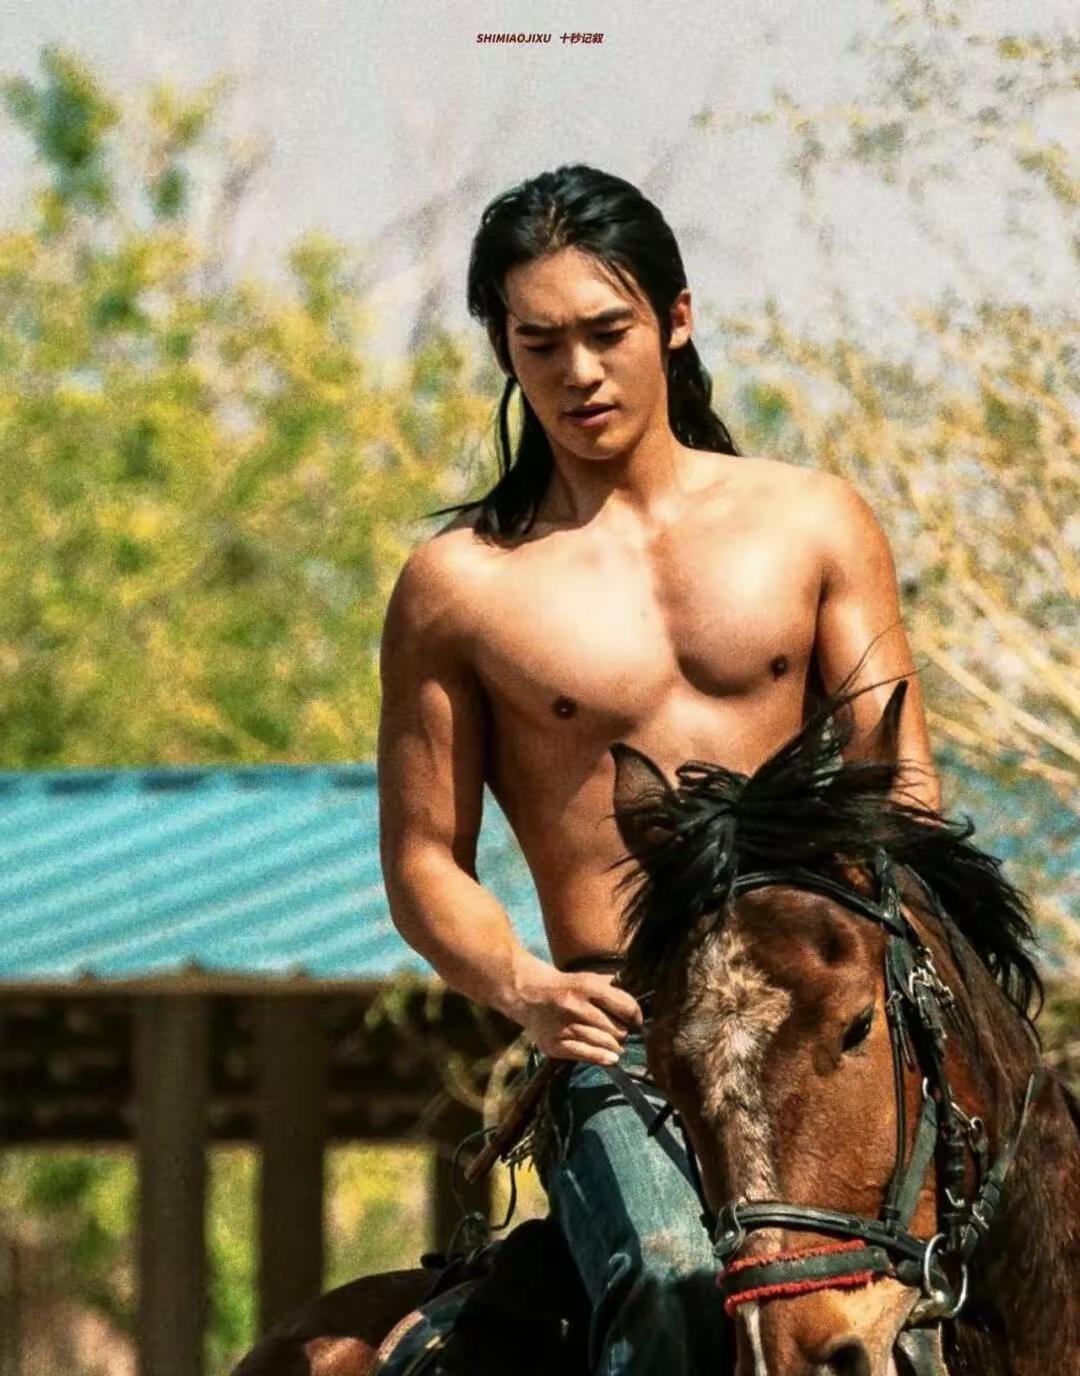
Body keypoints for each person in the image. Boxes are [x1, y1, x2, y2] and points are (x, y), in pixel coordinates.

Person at [376, 163, 940, 1374]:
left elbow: (902, 788)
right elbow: (424, 861)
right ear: (504, 349)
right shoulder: (459, 585)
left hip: (822, 1021)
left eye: (606, 331)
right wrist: (526, 986)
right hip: (622, 1034)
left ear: (676, 319)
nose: (577, 372)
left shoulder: (814, 521)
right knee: (679, 1276)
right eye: (539, 343)